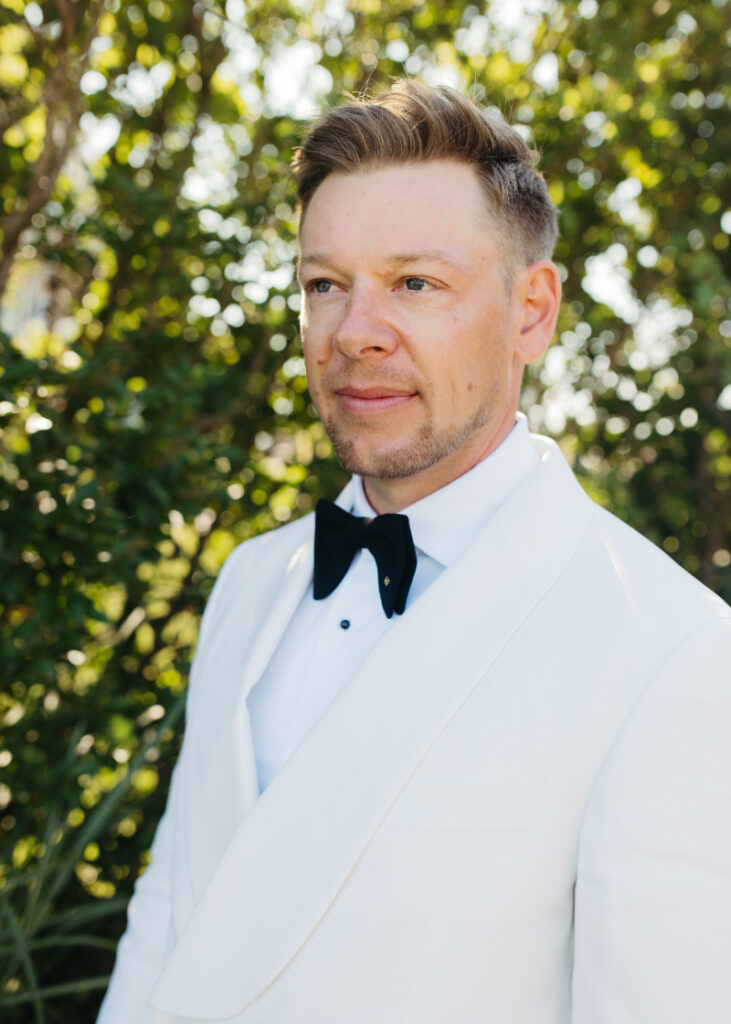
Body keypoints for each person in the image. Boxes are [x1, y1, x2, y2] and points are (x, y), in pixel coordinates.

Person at [97, 80, 731, 1024]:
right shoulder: (249, 580)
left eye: (414, 283)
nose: (355, 333)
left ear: (531, 311)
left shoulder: (673, 654)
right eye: (325, 285)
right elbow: (171, 926)